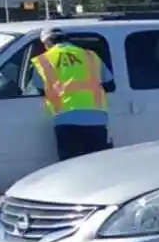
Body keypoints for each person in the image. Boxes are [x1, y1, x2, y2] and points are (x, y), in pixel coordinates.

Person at [29, 27, 112, 160]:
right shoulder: (90, 55)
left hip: (65, 118)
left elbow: (39, 89)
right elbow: (108, 82)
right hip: (96, 117)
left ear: (47, 43)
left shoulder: (43, 61)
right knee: (99, 163)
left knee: (71, 165)